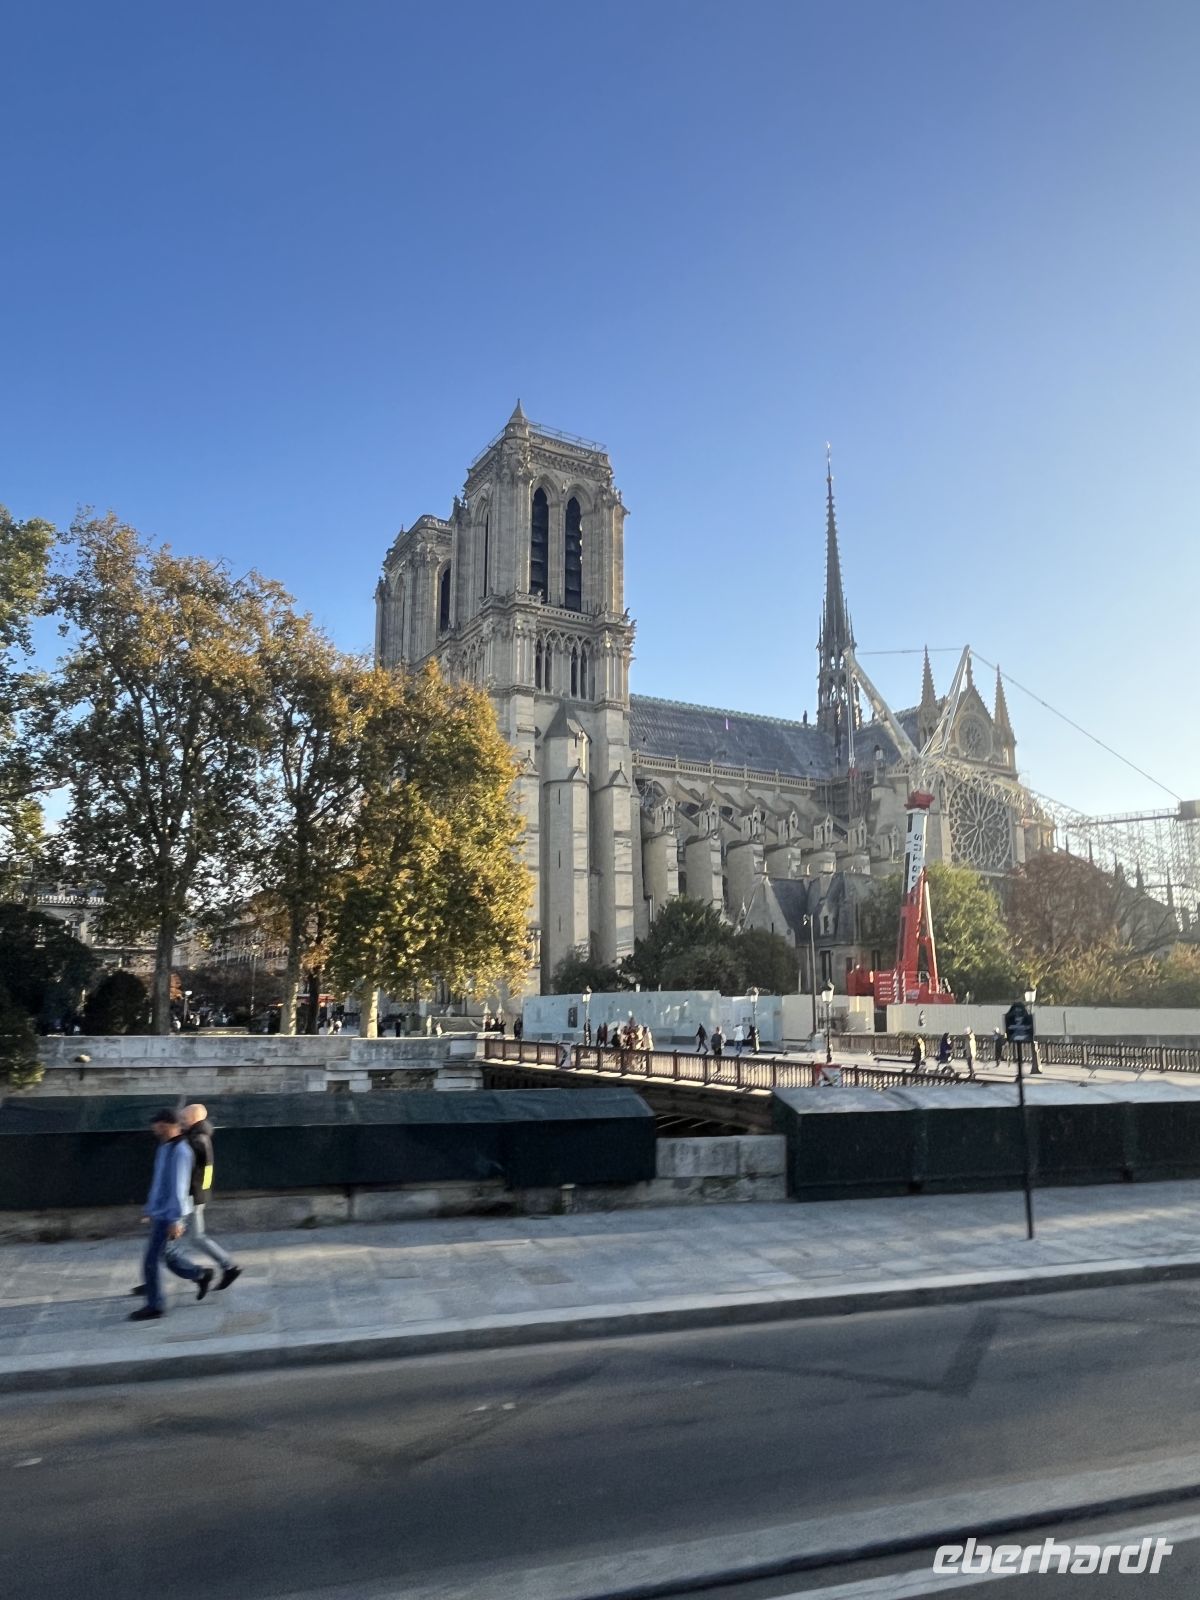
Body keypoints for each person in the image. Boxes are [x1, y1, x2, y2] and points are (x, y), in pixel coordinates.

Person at [128, 1108, 213, 1321]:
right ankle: (199, 1274)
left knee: (151, 1260)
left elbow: (179, 1188)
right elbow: (159, 1183)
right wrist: (151, 1208)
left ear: (166, 1125)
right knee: (168, 1255)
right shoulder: (164, 1148)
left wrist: (175, 1220)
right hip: (160, 1212)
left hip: (170, 1214)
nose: (153, 1128)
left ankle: (155, 1305)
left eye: (156, 1124)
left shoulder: (181, 1152)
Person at [180, 1104, 241, 1290]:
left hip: (191, 1196)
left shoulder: (198, 1139)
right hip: (192, 1195)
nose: (181, 1120)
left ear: (193, 1119)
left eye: (184, 1117)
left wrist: (201, 1193)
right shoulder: (195, 1136)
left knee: (192, 1238)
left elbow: (208, 1169)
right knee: (194, 1237)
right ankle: (228, 1266)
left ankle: (227, 1266)